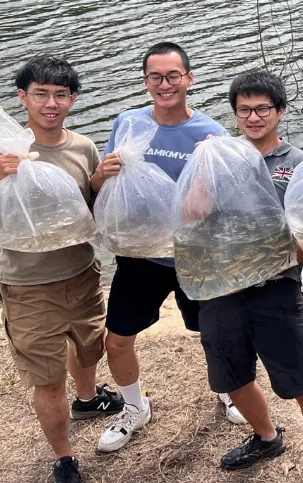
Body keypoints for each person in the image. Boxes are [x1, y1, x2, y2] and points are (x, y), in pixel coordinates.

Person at [0, 56, 123, 483]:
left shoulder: (83, 147)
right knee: (48, 380)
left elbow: (87, 212)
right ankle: (64, 458)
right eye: (41, 94)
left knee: (88, 349)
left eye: (60, 95)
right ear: (23, 97)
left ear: (73, 99)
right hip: (27, 284)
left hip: (82, 273)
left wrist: (100, 182)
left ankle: (87, 399)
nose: (51, 104)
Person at [190, 69, 303, 481]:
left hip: (275, 292)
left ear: (280, 111)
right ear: (235, 114)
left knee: (300, 383)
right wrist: (203, 167)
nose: (253, 117)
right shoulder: (219, 158)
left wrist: (274, 263)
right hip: (222, 290)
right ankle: (266, 437)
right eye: (244, 110)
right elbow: (193, 216)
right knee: (231, 377)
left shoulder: (301, 165)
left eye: (262, 109)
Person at [91, 42, 230, 453]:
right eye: (156, 77)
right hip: (140, 256)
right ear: (145, 81)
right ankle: (135, 407)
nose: (165, 84)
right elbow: (102, 188)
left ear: (189, 78)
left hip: (195, 255)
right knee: (117, 339)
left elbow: (222, 203)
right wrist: (101, 175)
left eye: (173, 76)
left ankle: (229, 392)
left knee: (215, 334)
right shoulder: (128, 123)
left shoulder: (210, 133)